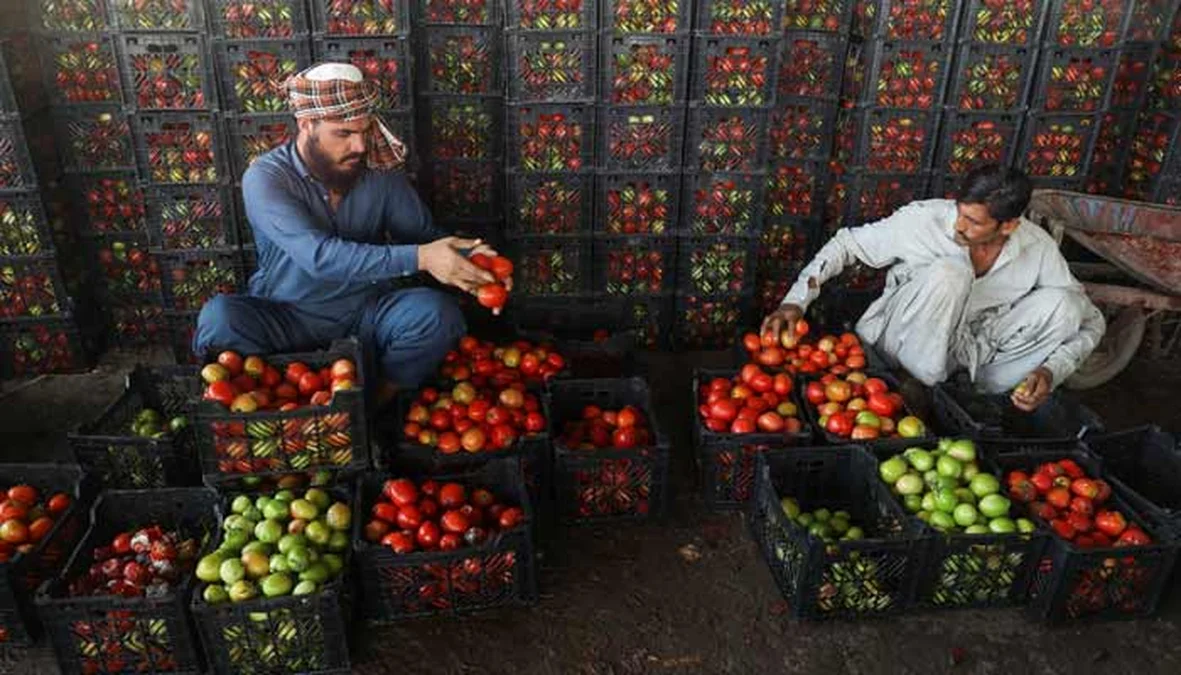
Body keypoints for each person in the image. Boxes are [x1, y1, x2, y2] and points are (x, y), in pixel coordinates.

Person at [193, 63, 506, 392]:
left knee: (437, 315)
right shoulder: (267, 178)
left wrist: (478, 265)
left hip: (365, 314)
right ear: (306, 125)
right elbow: (318, 257)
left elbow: (424, 237)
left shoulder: (380, 173)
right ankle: (279, 405)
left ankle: (373, 405)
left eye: (364, 131)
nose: (359, 146)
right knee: (219, 319)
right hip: (287, 315)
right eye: (343, 134)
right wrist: (423, 257)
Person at [761, 165, 1105, 412]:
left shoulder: (1037, 246)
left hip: (969, 354)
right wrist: (796, 302)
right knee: (951, 272)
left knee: (1067, 305)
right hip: (903, 340)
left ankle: (979, 401)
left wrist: (1051, 370)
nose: (959, 226)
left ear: (1009, 226)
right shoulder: (924, 220)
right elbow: (846, 244)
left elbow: (1091, 321)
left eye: (974, 222)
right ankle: (913, 389)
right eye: (960, 212)